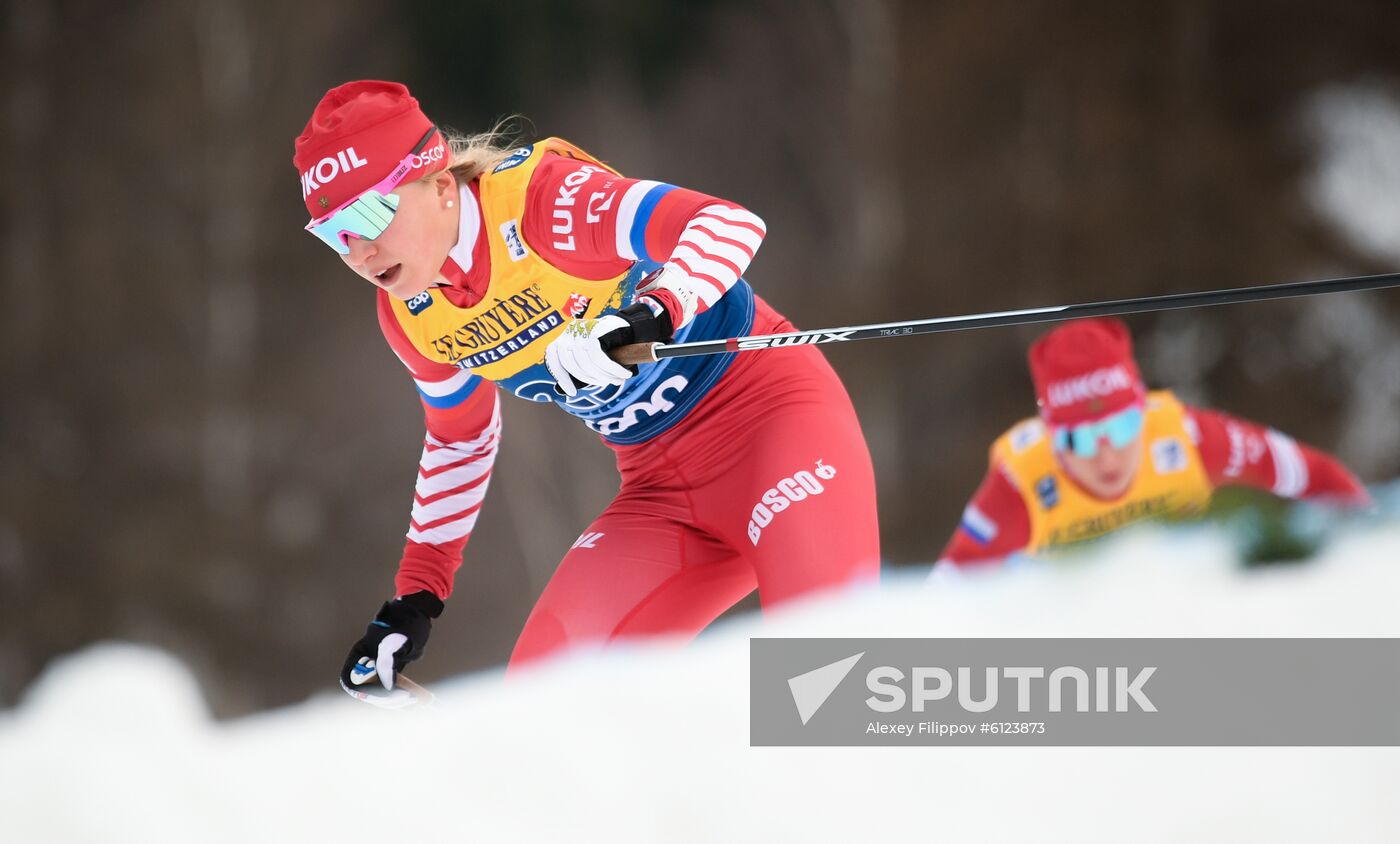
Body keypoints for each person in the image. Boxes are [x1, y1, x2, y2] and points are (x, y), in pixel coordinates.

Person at [293, 81, 879, 704]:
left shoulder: (545, 205)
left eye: (368, 216)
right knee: (545, 707)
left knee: (831, 689)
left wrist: (656, 310)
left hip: (772, 427)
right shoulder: (411, 316)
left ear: (439, 185)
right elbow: (461, 440)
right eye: (332, 232)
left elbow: (728, 222)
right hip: (660, 493)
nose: (357, 250)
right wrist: (416, 597)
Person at [936, 317, 1369, 568]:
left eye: (1123, 428)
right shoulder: (1021, 484)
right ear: (1052, 438)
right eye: (1082, 439)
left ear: (1143, 412)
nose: (1107, 454)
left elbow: (1311, 472)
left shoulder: (1186, 438)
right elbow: (942, 602)